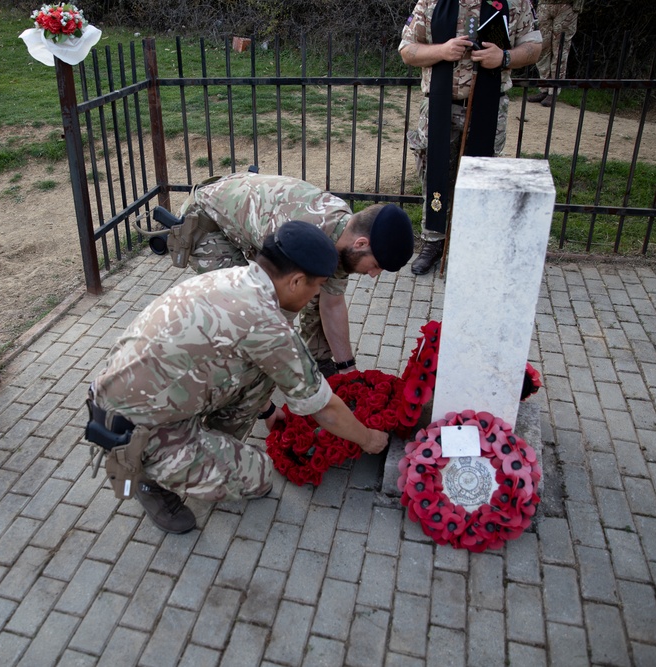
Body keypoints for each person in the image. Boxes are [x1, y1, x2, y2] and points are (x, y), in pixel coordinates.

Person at [87, 221, 391, 533]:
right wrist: (369, 439)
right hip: (130, 428)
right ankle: (148, 477)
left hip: (140, 393)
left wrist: (268, 409)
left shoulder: (231, 276)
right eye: (317, 287)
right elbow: (324, 407)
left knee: (262, 374)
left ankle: (201, 443)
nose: (316, 295)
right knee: (258, 476)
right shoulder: (267, 324)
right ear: (297, 281)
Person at [156, 172, 415, 377]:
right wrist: (291, 377)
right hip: (207, 219)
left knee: (314, 286)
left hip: (246, 212)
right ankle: (234, 383)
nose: (374, 275)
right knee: (240, 308)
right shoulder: (302, 233)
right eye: (376, 266)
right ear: (361, 244)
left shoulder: (342, 232)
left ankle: (319, 361)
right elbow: (272, 313)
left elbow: (332, 303)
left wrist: (347, 368)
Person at [399, 0, 542, 274]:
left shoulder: (514, 2)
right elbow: (407, 50)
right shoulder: (432, 2)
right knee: (433, 171)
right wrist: (442, 50)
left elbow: (534, 46)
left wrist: (505, 58)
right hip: (440, 106)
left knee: (481, 177)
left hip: (487, 106)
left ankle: (469, 244)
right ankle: (433, 242)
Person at [529, 0, 583, 107]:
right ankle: (544, 86)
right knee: (542, 46)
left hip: (567, 5)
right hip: (544, 4)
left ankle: (553, 89)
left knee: (560, 48)